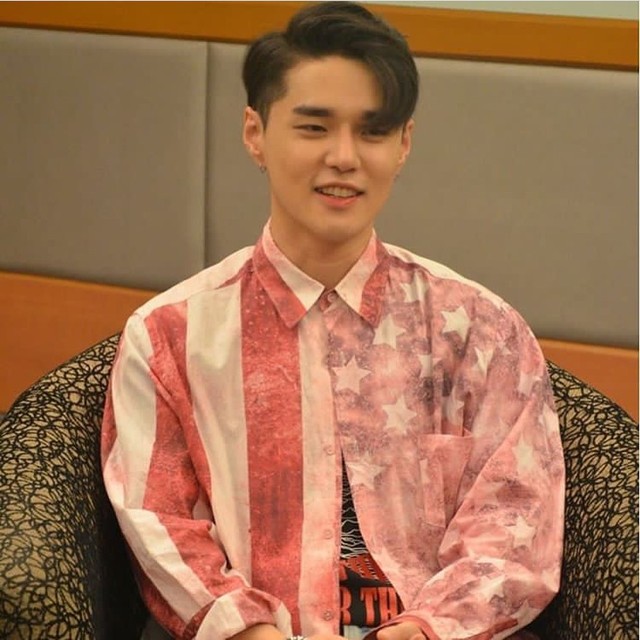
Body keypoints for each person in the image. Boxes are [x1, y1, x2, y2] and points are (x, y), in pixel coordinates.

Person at [101, 3, 565, 640]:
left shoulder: (481, 331)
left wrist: (428, 628)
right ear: (255, 134)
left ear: (403, 145)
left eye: (373, 132)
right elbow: (160, 524)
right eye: (314, 128)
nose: (344, 157)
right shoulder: (169, 337)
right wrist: (249, 631)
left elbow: (514, 524)